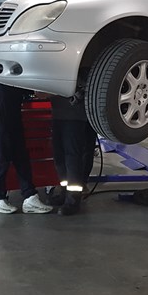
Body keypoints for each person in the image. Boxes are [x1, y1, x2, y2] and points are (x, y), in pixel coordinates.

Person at [0, 78, 52, 214]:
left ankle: (30, 196)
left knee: (21, 155)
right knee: (2, 156)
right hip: (0, 111)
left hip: (12, 109)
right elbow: (11, 79)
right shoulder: (0, 66)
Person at [48, 88, 97, 216]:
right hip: (58, 112)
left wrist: (77, 96)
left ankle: (73, 199)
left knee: (72, 157)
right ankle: (64, 192)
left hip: (75, 114)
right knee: (59, 156)